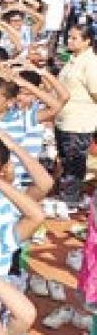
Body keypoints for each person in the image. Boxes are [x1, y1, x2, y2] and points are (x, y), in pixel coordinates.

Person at [56, 25, 97, 207]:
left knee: (74, 163)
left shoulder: (91, 63)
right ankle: (67, 197)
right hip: (64, 120)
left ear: (87, 41)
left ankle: (70, 201)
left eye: (74, 38)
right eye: (69, 37)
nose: (69, 41)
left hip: (79, 121)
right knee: (66, 161)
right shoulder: (73, 60)